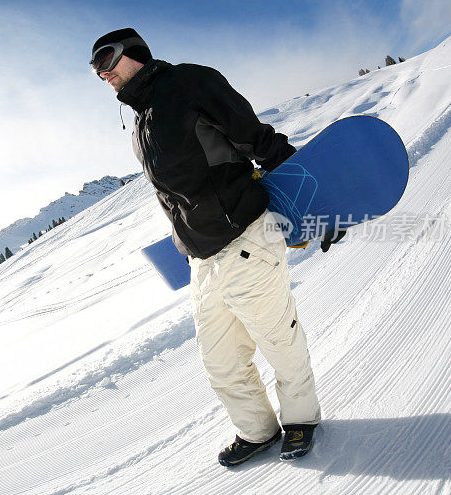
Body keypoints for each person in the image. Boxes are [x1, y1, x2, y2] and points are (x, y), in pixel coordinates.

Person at [90, 28, 323, 466]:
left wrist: (312, 204)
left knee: (278, 341)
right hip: (203, 259)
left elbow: (256, 137)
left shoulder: (188, 83)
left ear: (134, 53)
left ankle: (301, 420)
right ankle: (258, 429)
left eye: (106, 59)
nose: (101, 73)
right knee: (221, 362)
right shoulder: (141, 121)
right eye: (94, 70)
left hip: (246, 239)